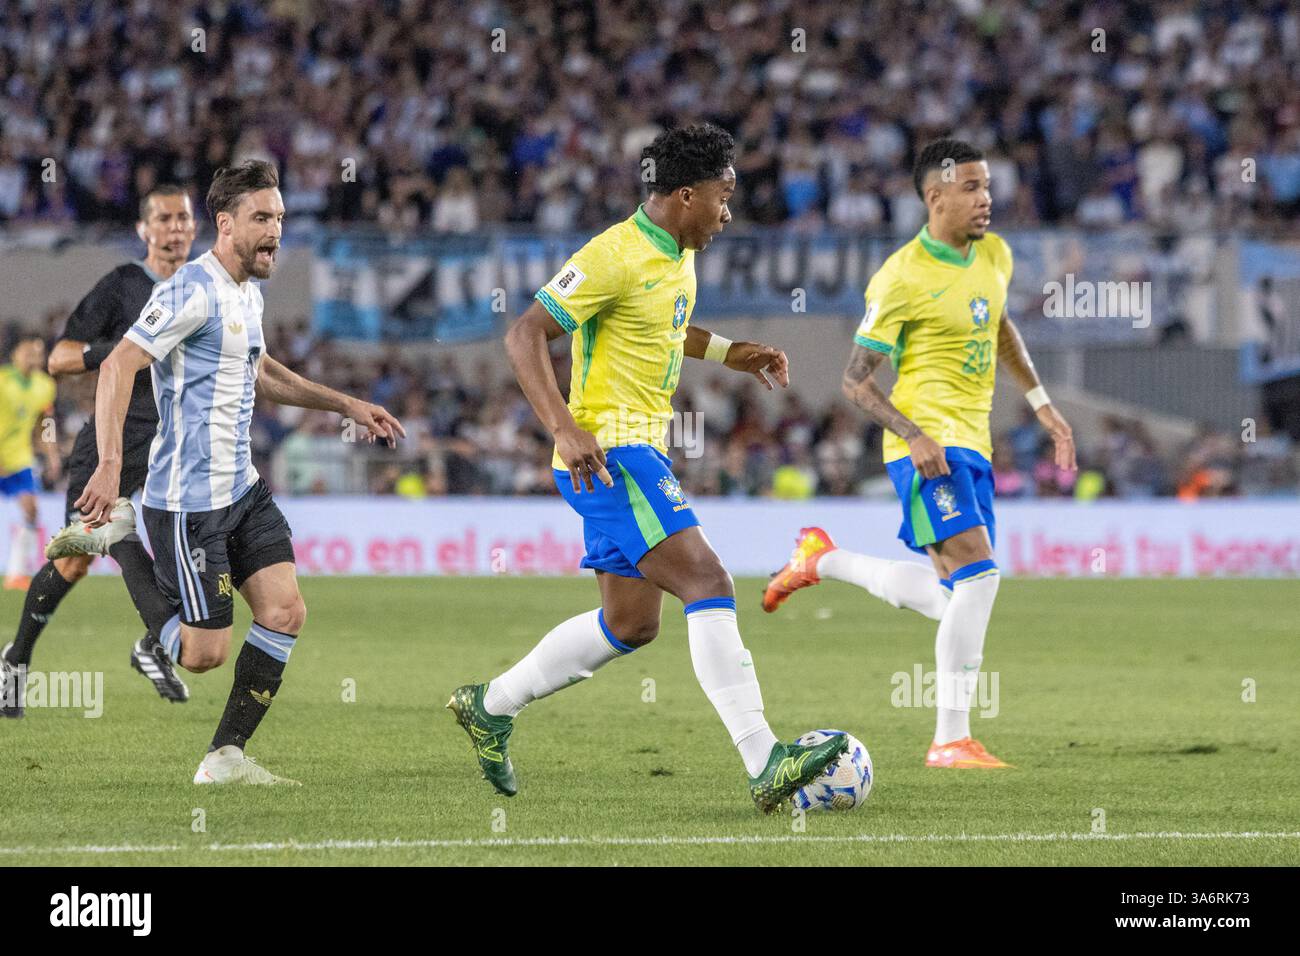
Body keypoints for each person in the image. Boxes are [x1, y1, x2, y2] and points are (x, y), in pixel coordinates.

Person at [446, 124, 848, 813]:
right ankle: (765, 760)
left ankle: (489, 705)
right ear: (685, 195)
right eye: (723, 197)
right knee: (709, 578)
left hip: (637, 452)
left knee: (631, 623)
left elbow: (665, 324)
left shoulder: (679, 254)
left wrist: (733, 353)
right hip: (609, 453)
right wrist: (564, 428)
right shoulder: (613, 253)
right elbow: (524, 334)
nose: (728, 213)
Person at [74, 160, 404, 783]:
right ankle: (120, 541)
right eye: (262, 218)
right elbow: (118, 367)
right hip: (186, 504)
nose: (275, 230)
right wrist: (112, 466)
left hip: (242, 491)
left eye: (279, 217)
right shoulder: (188, 289)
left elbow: (261, 370)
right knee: (203, 655)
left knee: (285, 612)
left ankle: (225, 757)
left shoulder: (247, 289)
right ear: (224, 224)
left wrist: (346, 403)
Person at [764, 139, 1077, 769]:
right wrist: (914, 434)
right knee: (981, 579)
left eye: (987, 186)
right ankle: (950, 739)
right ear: (935, 196)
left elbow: (1000, 325)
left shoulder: (995, 253)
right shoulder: (901, 276)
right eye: (971, 188)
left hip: (974, 443)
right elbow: (855, 381)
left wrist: (1040, 400)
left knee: (953, 597)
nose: (986, 198)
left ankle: (821, 560)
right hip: (929, 447)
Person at [4, 185, 198, 714]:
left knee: (198, 547)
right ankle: (16, 659)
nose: (176, 227)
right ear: (144, 230)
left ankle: (153, 645)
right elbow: (61, 358)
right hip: (113, 442)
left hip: (174, 449)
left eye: (183, 217)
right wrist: (130, 346)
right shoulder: (122, 286)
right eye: (164, 218)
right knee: (80, 558)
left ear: (196, 227)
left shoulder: (207, 286)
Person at [0, 337, 58, 592]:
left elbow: (45, 424)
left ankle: (17, 573)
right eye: (27, 351)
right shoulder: (3, 379)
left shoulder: (45, 386)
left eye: (38, 352)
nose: (33, 356)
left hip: (19, 457)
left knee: (31, 510)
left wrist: (52, 454)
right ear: (15, 353)